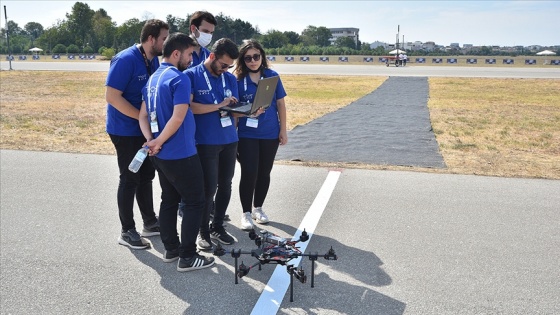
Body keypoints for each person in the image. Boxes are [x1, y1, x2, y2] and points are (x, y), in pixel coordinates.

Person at [138, 32, 214, 272]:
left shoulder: (152, 79)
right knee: (195, 201)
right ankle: (188, 256)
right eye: (190, 54)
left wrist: (151, 140)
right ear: (176, 53)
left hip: (160, 154)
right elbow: (178, 116)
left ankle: (171, 249)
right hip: (180, 152)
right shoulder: (179, 79)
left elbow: (142, 116)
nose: (192, 59)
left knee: (169, 199)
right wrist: (158, 140)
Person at [105, 19, 169, 249]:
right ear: (151, 39)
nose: (166, 42)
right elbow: (112, 97)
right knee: (130, 178)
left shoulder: (152, 60)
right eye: (163, 38)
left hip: (144, 131)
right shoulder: (125, 59)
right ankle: (127, 231)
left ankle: (149, 222)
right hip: (125, 131)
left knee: (146, 177)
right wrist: (140, 119)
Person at [184, 38, 239, 251]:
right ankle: (203, 231)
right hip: (205, 142)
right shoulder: (191, 75)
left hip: (229, 140)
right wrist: (218, 106)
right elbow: (188, 106)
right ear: (212, 56)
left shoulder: (229, 78)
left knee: (226, 185)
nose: (226, 69)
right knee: (208, 189)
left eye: (230, 66)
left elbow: (232, 109)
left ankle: (217, 226)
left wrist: (247, 110)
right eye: (223, 65)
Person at [232, 39, 288, 230]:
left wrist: (283, 130)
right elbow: (233, 108)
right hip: (247, 135)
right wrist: (247, 112)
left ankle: (258, 208)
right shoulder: (237, 80)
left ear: (262, 57)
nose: (253, 61)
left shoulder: (272, 76)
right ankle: (246, 213)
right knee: (249, 173)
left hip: (270, 133)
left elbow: (280, 104)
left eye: (256, 56)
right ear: (243, 60)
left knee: (264, 173)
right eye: (248, 58)